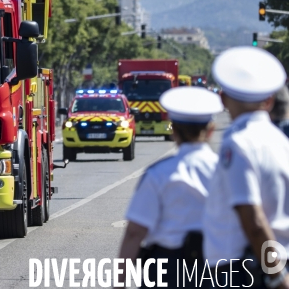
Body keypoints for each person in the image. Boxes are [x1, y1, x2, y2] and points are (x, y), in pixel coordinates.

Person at [118, 86, 223, 288]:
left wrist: (119, 283)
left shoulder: (158, 173)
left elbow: (134, 233)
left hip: (167, 271)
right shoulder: (227, 172)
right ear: (210, 130)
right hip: (218, 270)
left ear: (173, 130)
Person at [204, 46, 289, 288]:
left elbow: (253, 221)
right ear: (269, 101)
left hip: (247, 272)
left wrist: (279, 277)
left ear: (223, 99)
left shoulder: (238, 144)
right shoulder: (281, 142)